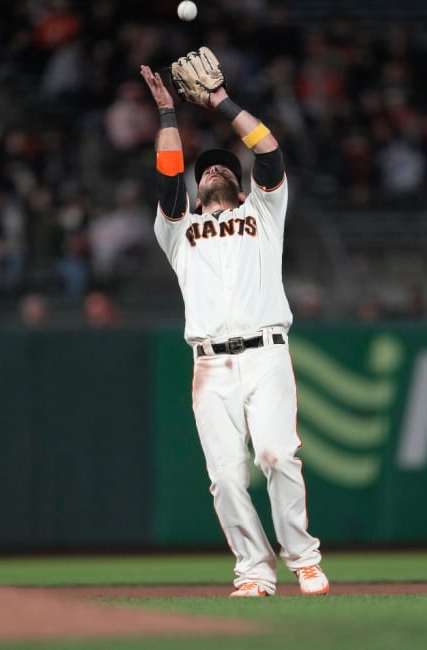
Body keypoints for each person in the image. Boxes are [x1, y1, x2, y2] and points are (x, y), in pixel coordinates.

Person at [140, 48, 329, 598]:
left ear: (241, 187)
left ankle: (303, 556)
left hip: (267, 354)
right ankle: (253, 571)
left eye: (224, 166)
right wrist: (169, 116)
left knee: (276, 454)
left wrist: (220, 101)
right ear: (198, 191)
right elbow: (168, 177)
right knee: (225, 476)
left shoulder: (263, 215)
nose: (215, 169)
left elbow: (267, 149)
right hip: (210, 364)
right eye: (208, 170)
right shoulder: (178, 231)